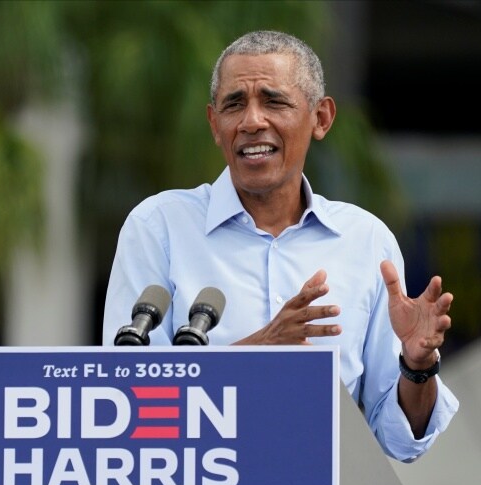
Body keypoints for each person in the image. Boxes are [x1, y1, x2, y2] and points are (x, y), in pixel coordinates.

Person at [102, 30, 458, 462]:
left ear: (321, 118)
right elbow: (123, 406)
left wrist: (417, 367)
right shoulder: (158, 226)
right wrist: (261, 350)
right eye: (234, 104)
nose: (252, 121)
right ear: (215, 125)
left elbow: (399, 442)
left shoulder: (366, 241)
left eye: (274, 101)